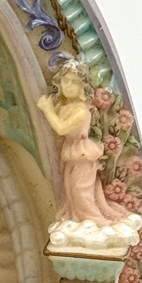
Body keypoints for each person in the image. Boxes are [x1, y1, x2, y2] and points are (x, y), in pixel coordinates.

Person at [36, 61, 129, 225]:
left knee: (79, 190)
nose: (68, 86)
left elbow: (61, 128)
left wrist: (48, 110)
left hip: (82, 154)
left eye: (74, 83)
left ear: (82, 87)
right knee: (70, 190)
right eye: (65, 81)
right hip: (71, 154)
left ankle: (93, 219)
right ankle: (79, 217)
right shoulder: (66, 106)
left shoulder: (81, 111)